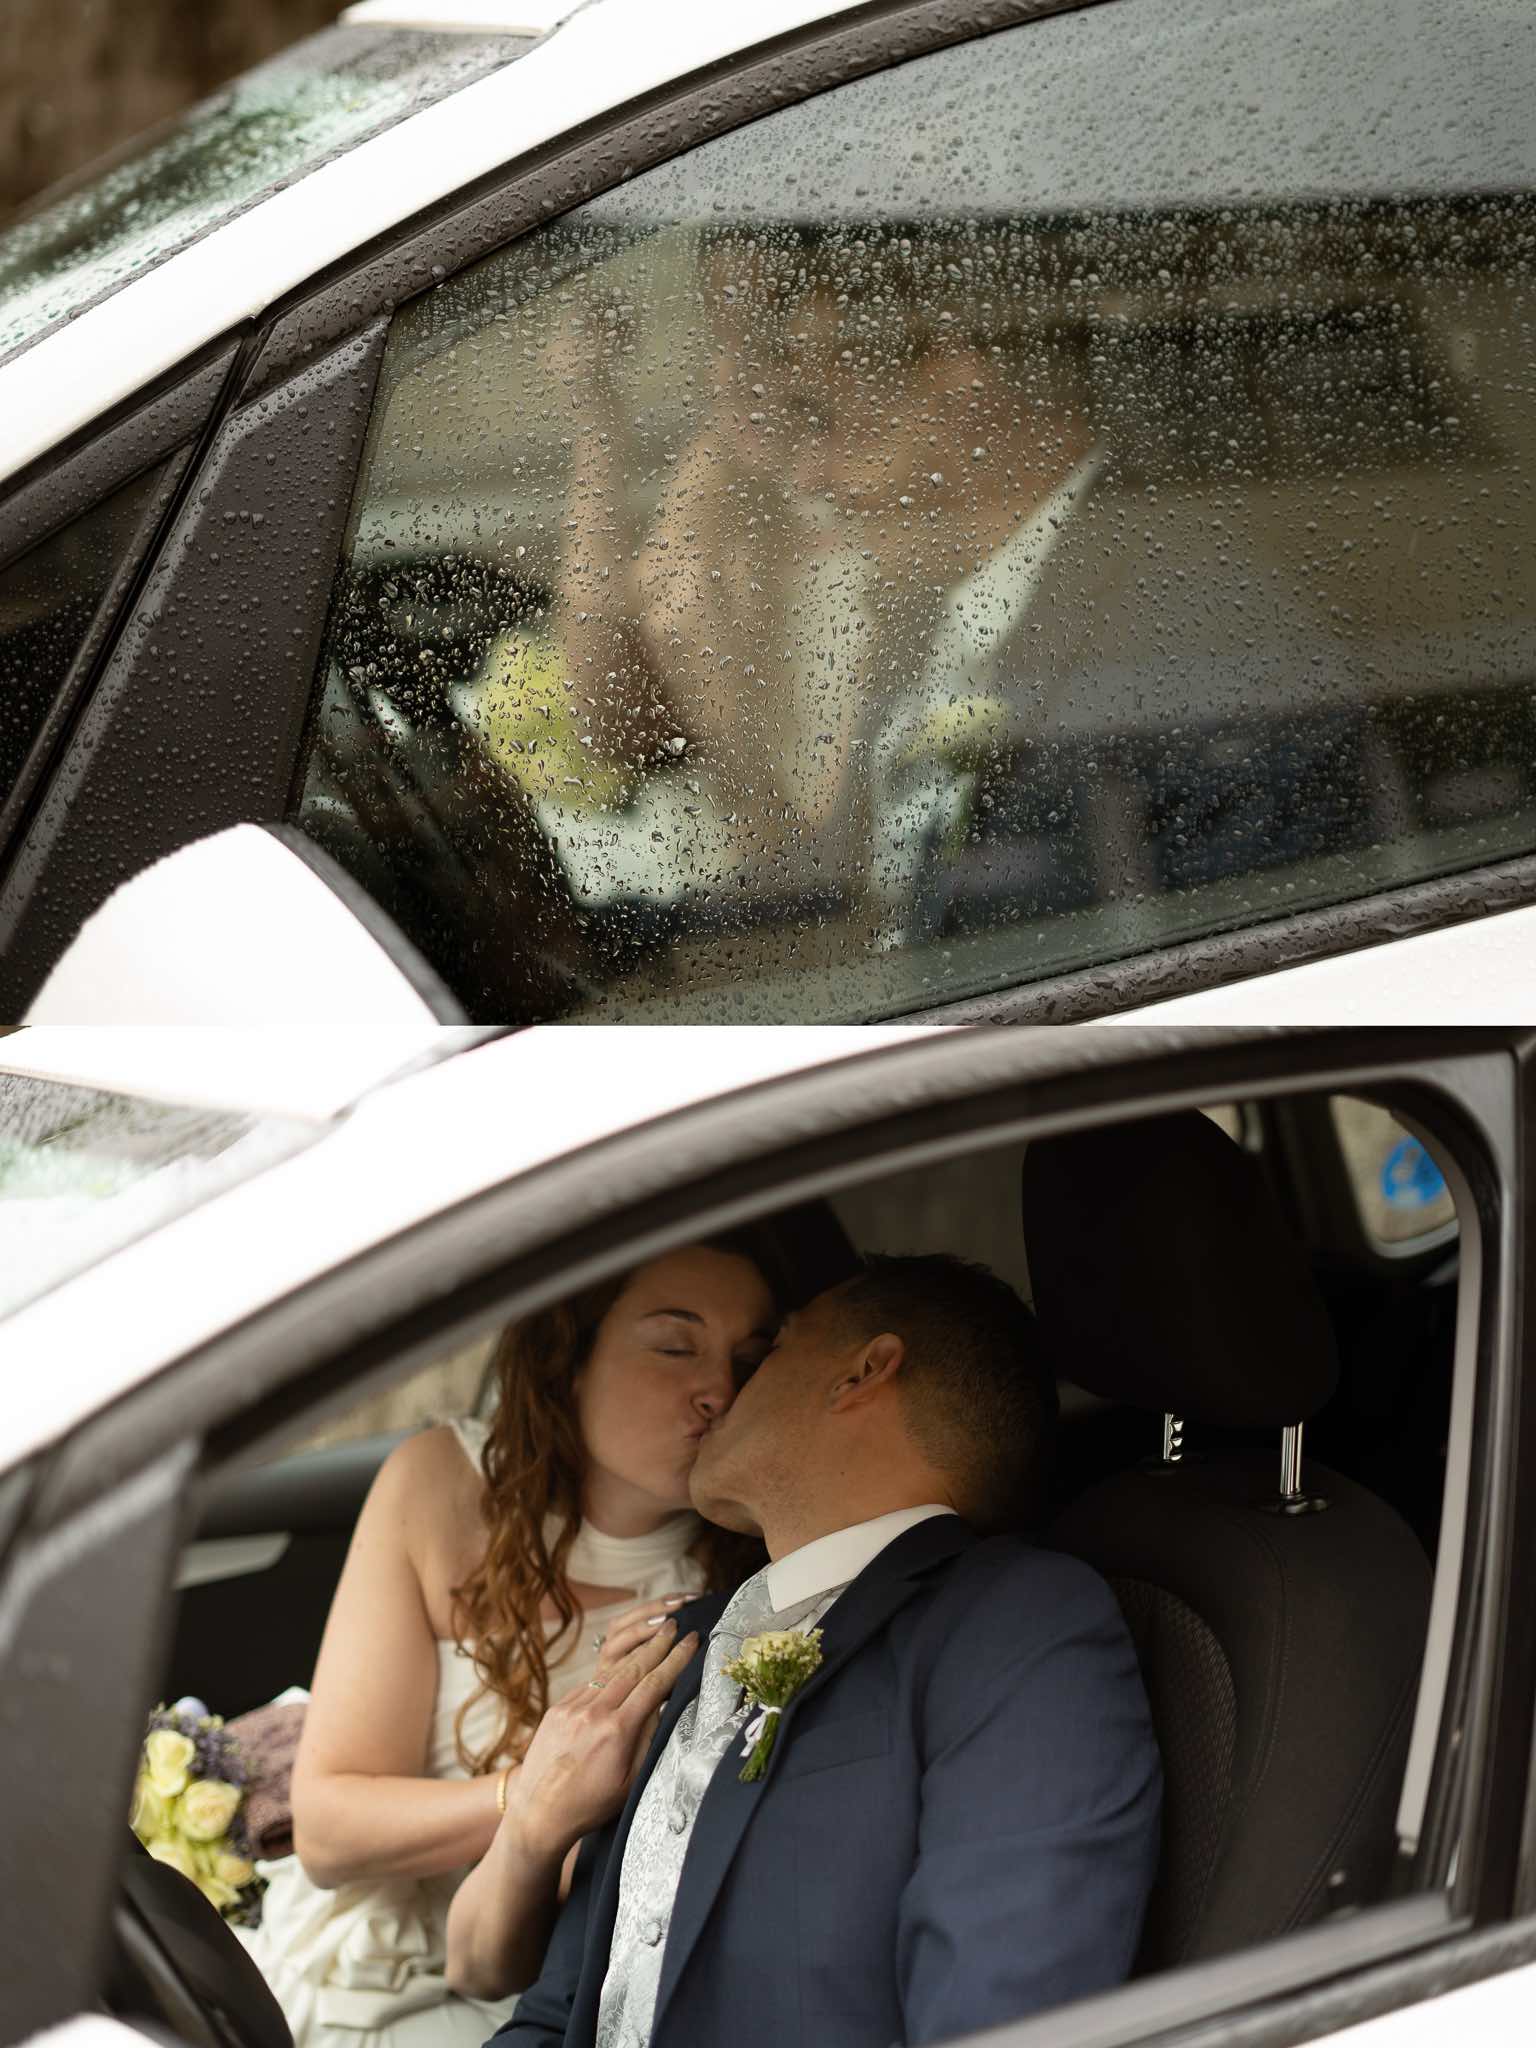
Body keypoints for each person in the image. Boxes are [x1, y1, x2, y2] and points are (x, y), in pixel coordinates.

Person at [493, 1252, 1162, 2048]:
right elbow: (556, 2014)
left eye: (771, 1351)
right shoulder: (682, 1645)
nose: (727, 1393)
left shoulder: (1016, 1623)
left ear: (862, 1374)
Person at [237, 1234, 784, 2048]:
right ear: (572, 1359)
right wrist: (535, 1792)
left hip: (556, 1979)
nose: (720, 1391)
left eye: (750, 1360)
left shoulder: (754, 1572)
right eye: (675, 1346)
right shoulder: (440, 1487)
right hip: (368, 1957)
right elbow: (327, 1828)